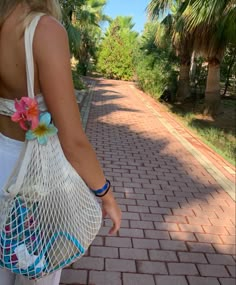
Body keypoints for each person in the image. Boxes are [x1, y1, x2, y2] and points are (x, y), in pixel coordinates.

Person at [0, 1, 122, 284]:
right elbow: (74, 142)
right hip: (36, 179)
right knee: (38, 268)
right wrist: (107, 195)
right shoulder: (43, 30)